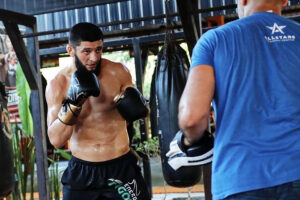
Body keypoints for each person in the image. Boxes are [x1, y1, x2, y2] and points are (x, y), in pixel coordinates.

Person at [176, 0, 300, 199]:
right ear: (285, 0)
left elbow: (192, 118)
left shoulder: (214, 40)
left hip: (240, 180)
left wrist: (189, 141)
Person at [46, 22, 150, 200]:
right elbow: (56, 139)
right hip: (83, 171)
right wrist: (74, 105)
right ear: (70, 50)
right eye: (86, 51)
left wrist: (139, 106)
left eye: (99, 50)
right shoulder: (58, 84)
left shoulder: (118, 72)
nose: (94, 57)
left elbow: (140, 111)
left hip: (121, 168)